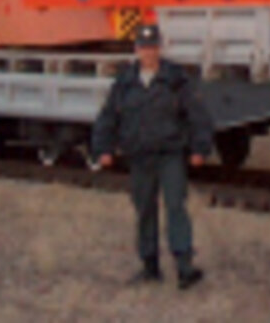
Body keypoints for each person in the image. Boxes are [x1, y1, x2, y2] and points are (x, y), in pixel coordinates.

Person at [91, 21, 213, 290]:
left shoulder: (176, 79)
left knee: (175, 207)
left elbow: (197, 115)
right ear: (136, 50)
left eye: (153, 47)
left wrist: (199, 148)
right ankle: (150, 266)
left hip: (170, 154)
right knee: (145, 210)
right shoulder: (124, 82)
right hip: (139, 156)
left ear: (160, 48)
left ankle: (184, 266)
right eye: (144, 47)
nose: (149, 53)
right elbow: (108, 117)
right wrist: (103, 149)